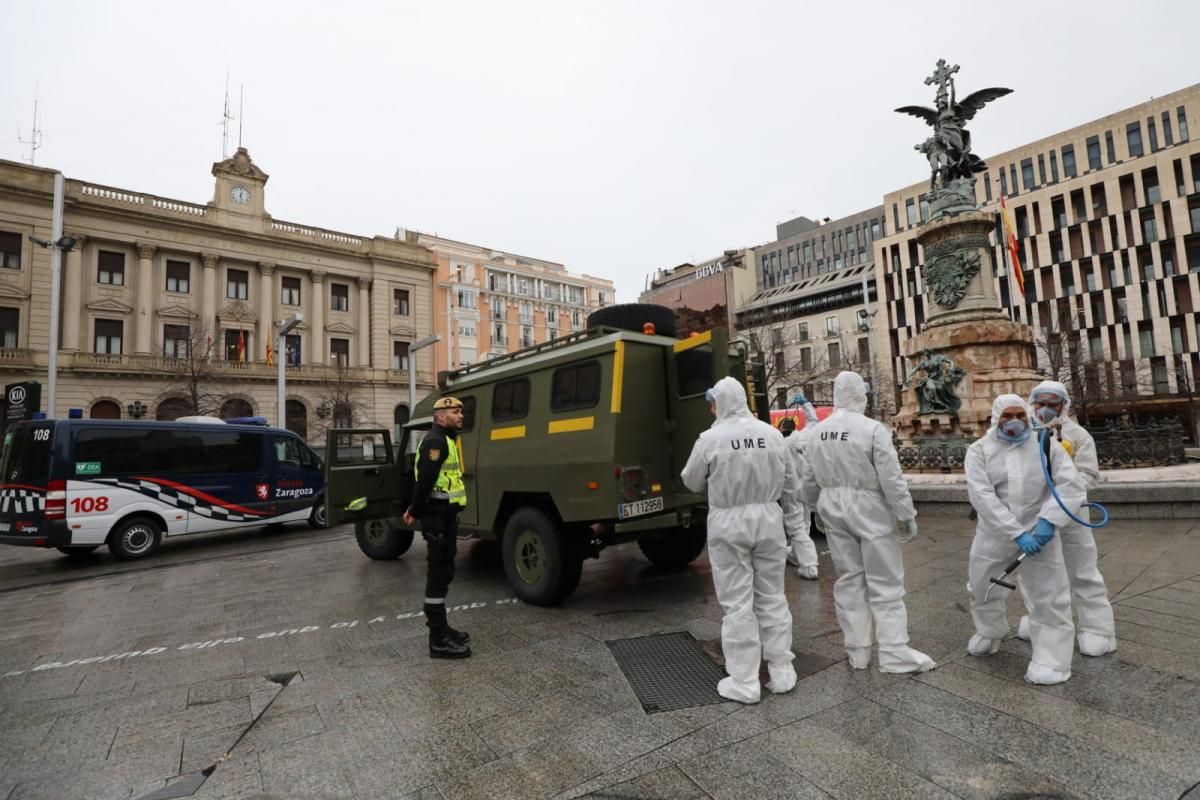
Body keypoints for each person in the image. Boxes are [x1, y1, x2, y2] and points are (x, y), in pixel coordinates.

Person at [800, 371, 934, 673]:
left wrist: (815, 507)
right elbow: (891, 477)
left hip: (832, 505)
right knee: (885, 581)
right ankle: (894, 652)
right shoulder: (872, 429)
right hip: (868, 506)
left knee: (849, 579)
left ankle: (857, 650)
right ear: (860, 394)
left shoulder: (818, 432)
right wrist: (905, 513)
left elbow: (807, 478)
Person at [681, 377, 804, 704]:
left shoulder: (710, 439)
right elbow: (792, 483)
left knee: (737, 603)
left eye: (713, 402)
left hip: (728, 523)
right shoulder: (773, 435)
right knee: (772, 595)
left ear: (720, 402)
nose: (711, 407)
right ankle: (781, 669)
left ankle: (745, 680)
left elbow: (691, 481)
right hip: (768, 520)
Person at [965, 394, 1085, 685]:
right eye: (1008, 416)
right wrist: (1014, 532)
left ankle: (1052, 659)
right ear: (996, 418)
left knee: (1049, 594)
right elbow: (981, 496)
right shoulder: (979, 451)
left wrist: (1049, 520)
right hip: (995, 533)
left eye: (1020, 415)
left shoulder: (1045, 445)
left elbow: (1071, 485)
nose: (1015, 421)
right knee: (982, 585)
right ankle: (991, 630)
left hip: (1039, 533)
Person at [1019, 381, 1116, 656]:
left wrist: (1063, 497)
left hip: (1072, 514)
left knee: (1082, 570)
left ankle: (1097, 629)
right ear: (1033, 403)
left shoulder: (1078, 435)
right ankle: (1038, 618)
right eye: (1042, 403)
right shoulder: (1022, 434)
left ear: (1064, 405)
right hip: (1034, 516)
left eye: (1053, 404)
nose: (1046, 409)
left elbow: (1088, 474)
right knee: (1034, 575)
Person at [403, 396, 471, 659]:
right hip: (436, 517)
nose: (461, 415)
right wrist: (414, 511)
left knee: (444, 573)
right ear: (441, 416)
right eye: (456, 411)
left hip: (444, 516)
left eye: (461, 411)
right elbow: (425, 482)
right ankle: (438, 640)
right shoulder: (435, 441)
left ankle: (443, 629)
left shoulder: (447, 440)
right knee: (438, 574)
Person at [783, 395, 820, 580]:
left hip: (792, 491)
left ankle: (808, 563)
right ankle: (797, 555)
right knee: (804, 523)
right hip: (808, 487)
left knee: (796, 527)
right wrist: (805, 404)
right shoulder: (806, 436)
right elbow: (813, 421)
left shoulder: (783, 445)